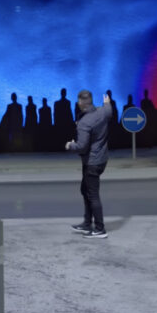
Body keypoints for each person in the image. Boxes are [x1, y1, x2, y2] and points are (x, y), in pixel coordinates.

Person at [65, 90, 113, 238]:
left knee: (92, 195)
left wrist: (70, 145)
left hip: (92, 162)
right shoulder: (103, 111)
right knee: (85, 189)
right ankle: (87, 224)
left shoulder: (84, 123)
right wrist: (107, 102)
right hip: (101, 159)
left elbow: (82, 147)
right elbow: (109, 109)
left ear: (80, 103)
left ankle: (99, 229)